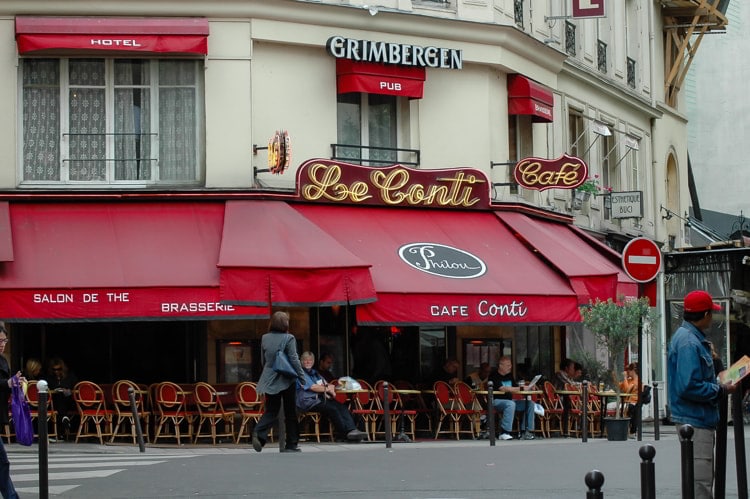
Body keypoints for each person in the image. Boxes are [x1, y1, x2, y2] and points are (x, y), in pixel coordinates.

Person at [668, 290, 737, 499]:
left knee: (700, 478)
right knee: (701, 482)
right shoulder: (689, 342)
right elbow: (689, 386)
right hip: (695, 419)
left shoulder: (690, 338)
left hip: (696, 417)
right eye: (711, 313)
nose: (712, 317)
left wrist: (717, 366)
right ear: (705, 314)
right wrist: (722, 389)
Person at [253, 311, 306, 453]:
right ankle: (291, 444)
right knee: (290, 412)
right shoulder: (289, 338)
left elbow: (263, 361)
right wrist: (302, 378)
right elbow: (294, 359)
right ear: (285, 324)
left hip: (270, 377)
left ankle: (259, 433)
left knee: (271, 409)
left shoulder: (265, 338)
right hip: (286, 378)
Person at [296, 351, 366, 441]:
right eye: (305, 360)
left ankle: (352, 430)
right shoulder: (300, 373)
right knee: (332, 409)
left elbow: (327, 384)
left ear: (313, 361)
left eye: (310, 360)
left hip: (319, 400)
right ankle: (344, 434)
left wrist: (330, 387)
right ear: (301, 361)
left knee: (342, 407)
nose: (308, 362)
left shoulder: (315, 373)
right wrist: (327, 389)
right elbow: (313, 387)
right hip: (307, 402)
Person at [487, 356, 536, 440]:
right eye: (508, 365)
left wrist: (528, 387)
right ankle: (504, 432)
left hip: (510, 401)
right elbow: (503, 388)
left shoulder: (509, 375)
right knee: (510, 404)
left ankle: (526, 431)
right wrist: (521, 388)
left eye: (510, 365)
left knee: (530, 403)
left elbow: (515, 387)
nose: (510, 367)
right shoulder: (493, 375)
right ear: (500, 365)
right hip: (496, 401)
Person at [0, 326, 21, 498]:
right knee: (2, 462)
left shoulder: (3, 361)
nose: (2, 344)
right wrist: (6, 383)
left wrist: (15, 383)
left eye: (4, 340)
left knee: (1, 463)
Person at [48, 357, 78, 439]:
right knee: (59, 398)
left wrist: (68, 391)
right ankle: (64, 418)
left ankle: (63, 419)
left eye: (59, 369)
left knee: (61, 399)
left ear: (63, 368)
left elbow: (77, 389)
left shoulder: (70, 377)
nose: (56, 371)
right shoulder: (50, 378)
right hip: (54, 403)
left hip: (69, 401)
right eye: (54, 370)